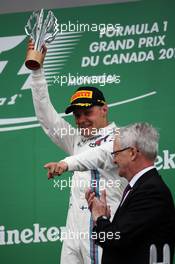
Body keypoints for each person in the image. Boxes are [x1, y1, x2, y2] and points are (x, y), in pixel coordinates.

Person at [28, 41, 127, 264]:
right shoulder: (77, 139)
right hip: (73, 232)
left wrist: (65, 163)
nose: (81, 120)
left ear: (104, 109)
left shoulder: (120, 139)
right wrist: (37, 73)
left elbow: (98, 155)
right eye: (77, 115)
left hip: (103, 229)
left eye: (87, 112)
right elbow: (46, 117)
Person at [86, 122, 175, 264]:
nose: (114, 160)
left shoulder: (150, 191)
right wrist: (105, 220)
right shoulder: (142, 188)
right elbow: (124, 238)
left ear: (132, 153)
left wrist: (100, 217)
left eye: (116, 153)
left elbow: (115, 239)